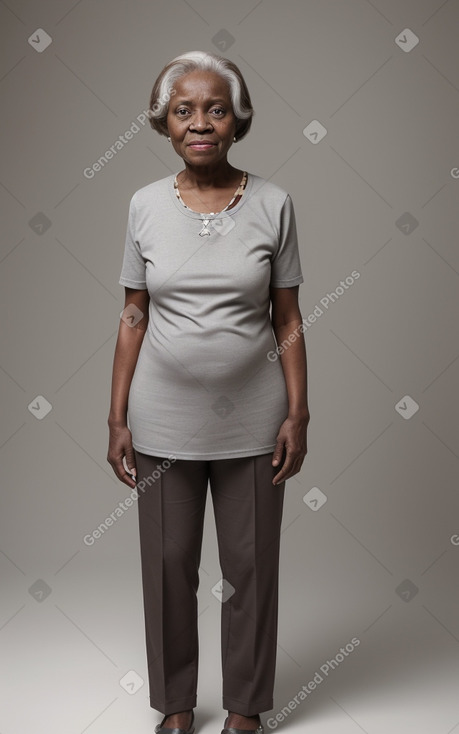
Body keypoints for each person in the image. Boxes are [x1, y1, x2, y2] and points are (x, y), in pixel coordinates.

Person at [107, 50, 310, 734]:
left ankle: (247, 707)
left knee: (251, 566)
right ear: (164, 122)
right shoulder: (142, 206)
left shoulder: (274, 204)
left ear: (236, 121)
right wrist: (115, 416)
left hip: (254, 419)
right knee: (168, 566)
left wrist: (298, 412)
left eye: (215, 109)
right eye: (184, 110)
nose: (200, 122)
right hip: (162, 416)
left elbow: (286, 319)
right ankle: (174, 705)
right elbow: (133, 314)